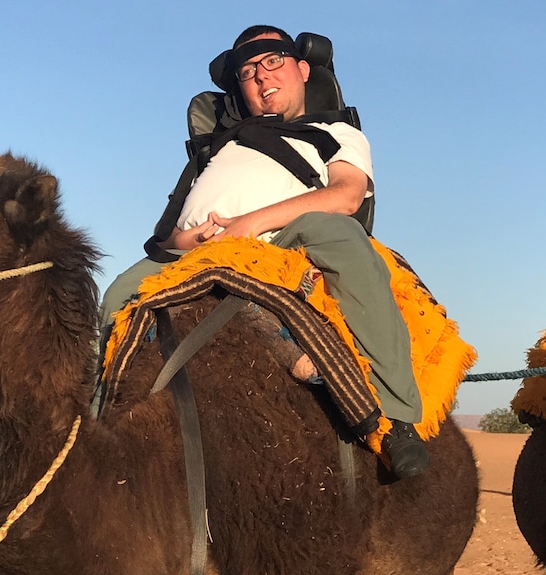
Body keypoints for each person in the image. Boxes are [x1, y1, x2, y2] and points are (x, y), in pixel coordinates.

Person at [99, 25, 429, 480]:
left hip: (286, 238)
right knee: (116, 291)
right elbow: (169, 234)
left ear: (302, 69)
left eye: (272, 61)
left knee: (343, 238)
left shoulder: (335, 131)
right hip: (198, 251)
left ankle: (396, 419)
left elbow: (346, 196)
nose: (259, 75)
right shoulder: (218, 148)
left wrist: (251, 223)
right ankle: (97, 419)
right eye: (247, 70)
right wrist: (200, 238)